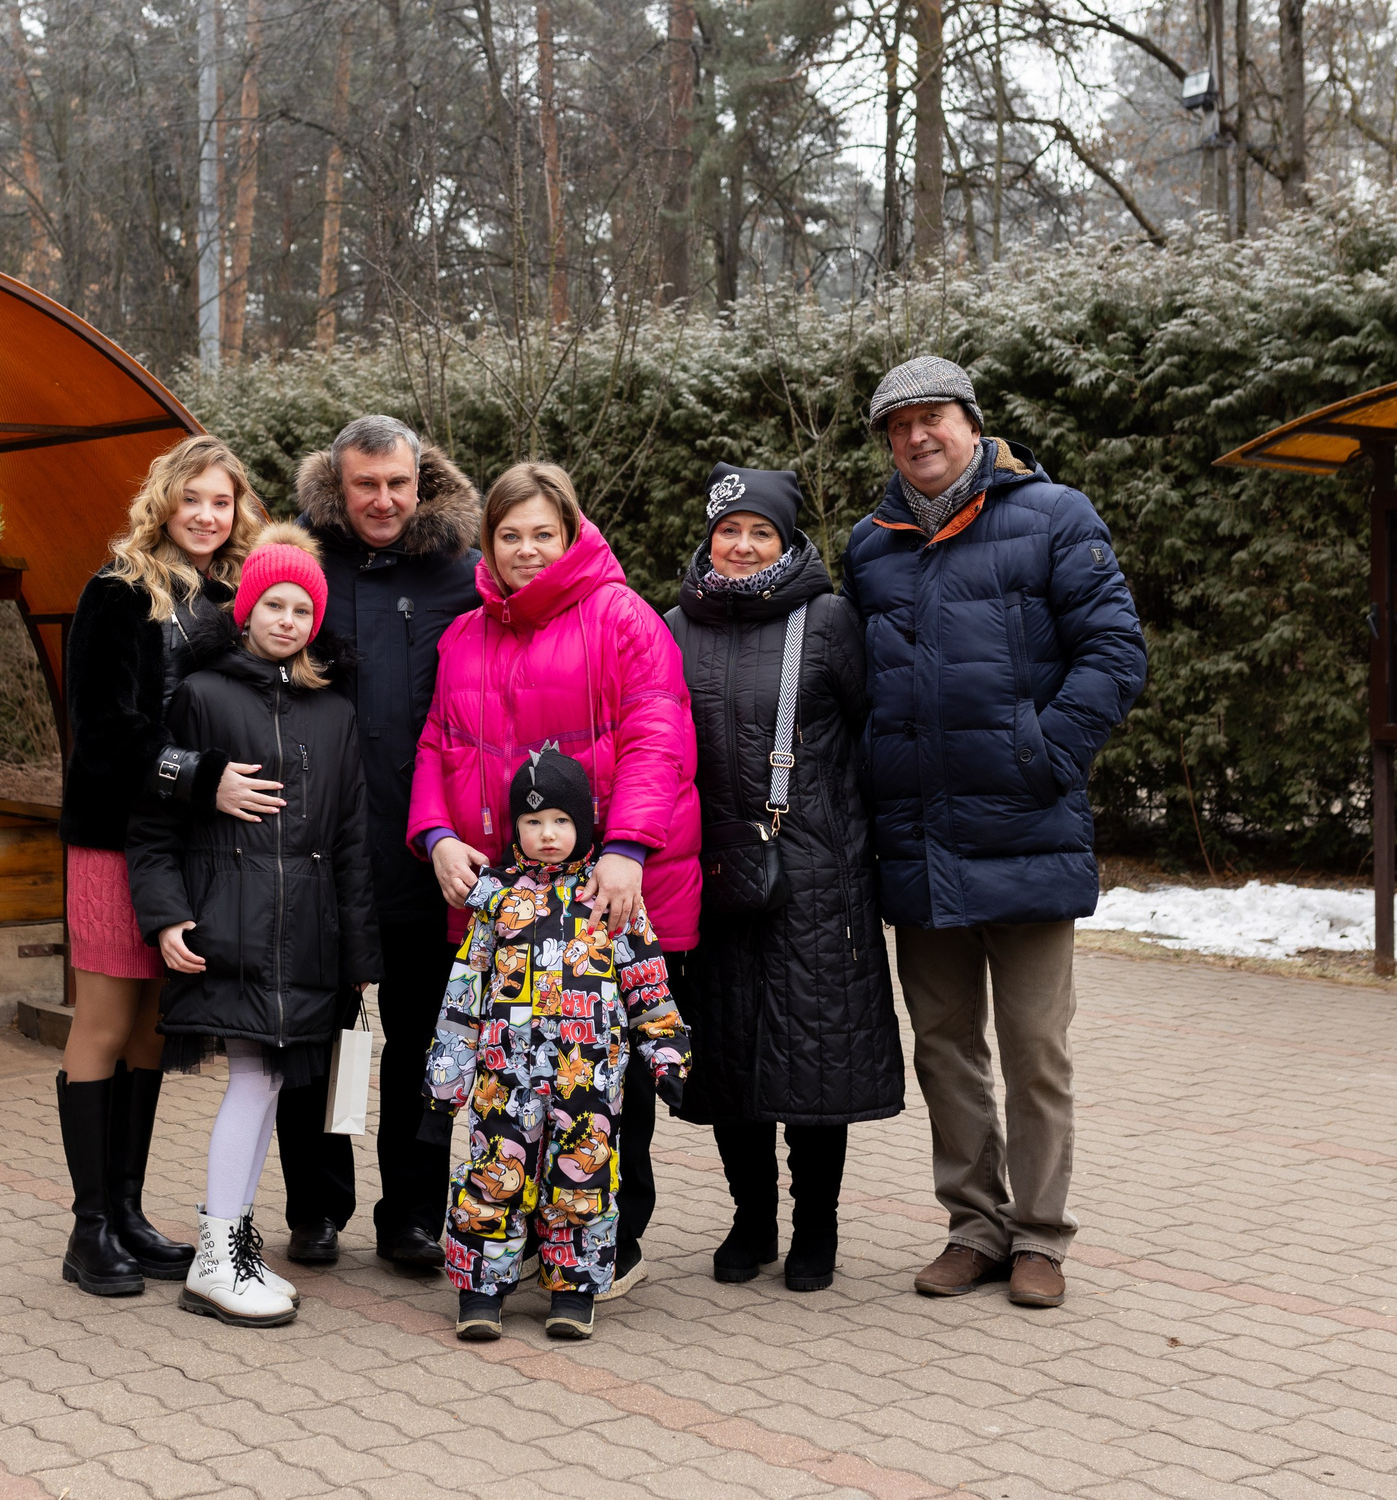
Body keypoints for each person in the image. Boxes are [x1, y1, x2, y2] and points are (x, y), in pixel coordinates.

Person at [844, 356, 1147, 1311]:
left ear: (973, 424)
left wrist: (1045, 753)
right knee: (943, 1043)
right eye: (899, 427)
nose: (917, 437)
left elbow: (1115, 649)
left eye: (933, 418)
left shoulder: (1054, 516)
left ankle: (1042, 1236)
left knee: (1033, 1046)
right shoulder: (870, 545)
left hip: (1025, 826)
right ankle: (974, 1224)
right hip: (919, 838)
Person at [409, 461, 700, 1300]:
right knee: (515, 1075)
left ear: (572, 533)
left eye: (545, 533)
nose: (528, 551)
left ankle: (617, 1240)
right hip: (511, 902)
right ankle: (534, 1236)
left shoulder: (623, 618)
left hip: (613, 887)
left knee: (607, 1071)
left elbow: (658, 735)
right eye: (510, 536)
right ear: (488, 544)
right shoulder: (465, 634)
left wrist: (629, 846)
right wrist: (434, 836)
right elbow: (438, 746)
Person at [126, 525, 381, 1327]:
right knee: (254, 1079)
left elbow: (349, 840)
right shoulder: (202, 696)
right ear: (245, 609)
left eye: (303, 608)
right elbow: (155, 823)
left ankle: (229, 1246)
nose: (287, 618)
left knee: (267, 1083)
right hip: (228, 927)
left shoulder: (335, 712)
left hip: (306, 936)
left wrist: (359, 954)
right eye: (273, 602)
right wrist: (166, 916)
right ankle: (218, 1252)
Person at [662, 464, 904, 1293]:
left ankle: (817, 1224)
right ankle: (751, 1217)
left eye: (759, 531)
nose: (740, 544)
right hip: (716, 873)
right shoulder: (674, 624)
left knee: (813, 1058)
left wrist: (858, 846)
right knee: (727, 1055)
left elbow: (876, 735)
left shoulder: (829, 620)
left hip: (816, 874)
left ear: (788, 537)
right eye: (729, 529)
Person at [56, 434, 273, 1297]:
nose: (208, 516)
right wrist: (203, 775)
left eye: (222, 502)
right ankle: (88, 1227)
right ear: (165, 502)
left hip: (185, 846)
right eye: (194, 500)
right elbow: (104, 731)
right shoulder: (115, 593)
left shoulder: (230, 598)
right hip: (113, 835)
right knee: (106, 1019)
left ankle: (131, 1211)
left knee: (154, 1023)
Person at [280, 416, 483, 1273]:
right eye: (366, 484)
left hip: (422, 850)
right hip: (316, 850)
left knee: (420, 1044)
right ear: (338, 482)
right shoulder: (304, 568)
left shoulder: (461, 575)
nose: (383, 500)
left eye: (397, 483)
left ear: (421, 478)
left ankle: (411, 1214)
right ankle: (316, 1208)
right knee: (314, 1040)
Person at [423, 747, 689, 1342]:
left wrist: (666, 1054)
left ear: (585, 825)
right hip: (504, 1078)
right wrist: (446, 1081)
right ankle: (481, 1291)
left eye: (562, 822)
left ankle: (573, 1291)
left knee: (583, 1182)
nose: (548, 835)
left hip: (589, 1076)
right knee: (495, 1175)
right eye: (534, 823)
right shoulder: (494, 900)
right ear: (515, 828)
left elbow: (647, 984)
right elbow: (463, 994)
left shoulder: (611, 899)